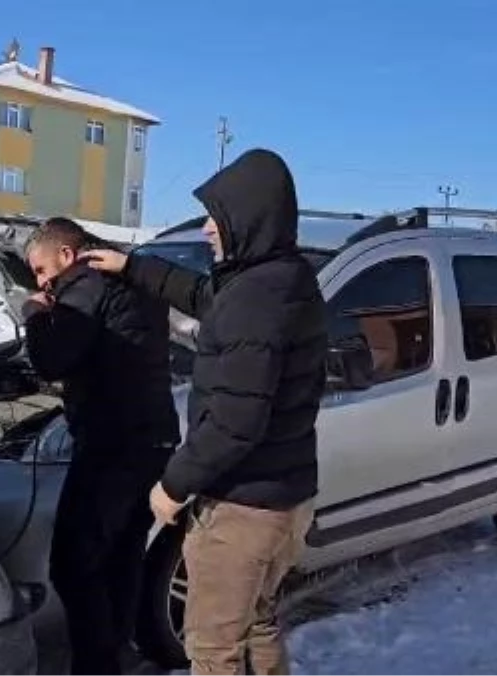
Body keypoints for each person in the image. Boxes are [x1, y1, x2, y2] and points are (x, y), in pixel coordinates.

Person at [82, 148, 328, 675]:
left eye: (217, 218)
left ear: (249, 217)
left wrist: (173, 485)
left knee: (213, 649)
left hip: (242, 508)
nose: (207, 231)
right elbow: (200, 293)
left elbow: (235, 423)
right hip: (284, 498)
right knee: (258, 622)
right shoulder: (280, 280)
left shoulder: (255, 300)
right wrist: (132, 267)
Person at [20, 217, 180, 675]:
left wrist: (34, 313)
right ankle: (118, 650)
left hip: (114, 447)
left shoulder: (85, 283)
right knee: (122, 554)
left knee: (73, 565)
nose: (41, 280)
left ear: (66, 256)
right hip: (152, 438)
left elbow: (51, 359)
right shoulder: (125, 275)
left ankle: (97, 666)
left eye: (40, 269)